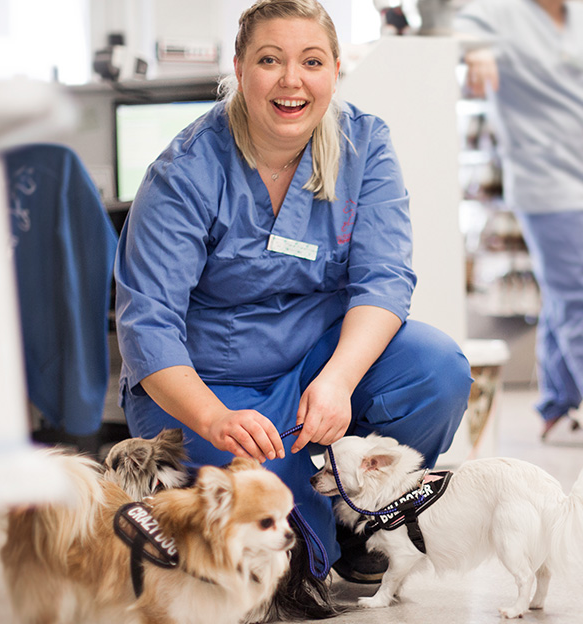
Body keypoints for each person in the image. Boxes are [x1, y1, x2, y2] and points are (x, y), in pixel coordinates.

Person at [113, 0, 472, 586]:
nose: (291, 80)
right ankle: (319, 534)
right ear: (239, 67)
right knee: (278, 537)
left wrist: (338, 381)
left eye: (311, 61)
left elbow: (384, 281)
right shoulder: (185, 172)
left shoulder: (364, 145)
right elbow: (147, 326)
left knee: (436, 370)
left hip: (317, 366)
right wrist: (214, 416)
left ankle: (362, 522)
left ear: (335, 69)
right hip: (207, 387)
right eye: (269, 60)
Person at [454, 0, 583, 445]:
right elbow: (456, 36)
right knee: (581, 295)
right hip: (546, 182)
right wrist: (476, 53)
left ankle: (557, 400)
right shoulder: (497, 14)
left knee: (564, 292)